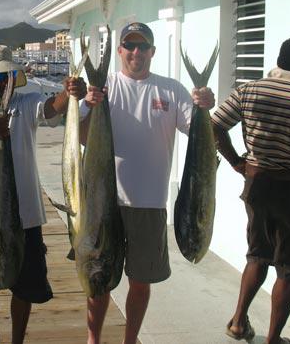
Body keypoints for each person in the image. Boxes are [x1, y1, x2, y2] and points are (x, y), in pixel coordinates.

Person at [82, 22, 215, 344]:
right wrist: (86, 104)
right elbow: (81, 136)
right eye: (130, 45)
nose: (136, 52)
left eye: (143, 46)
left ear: (153, 52)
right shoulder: (104, 88)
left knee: (141, 281)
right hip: (104, 203)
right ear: (120, 51)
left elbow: (194, 131)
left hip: (150, 204)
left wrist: (205, 108)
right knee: (98, 279)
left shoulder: (171, 90)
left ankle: (130, 340)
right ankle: (93, 340)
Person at [0, 44, 86, 344]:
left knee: (25, 289)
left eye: (7, 76)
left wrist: (70, 91)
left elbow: (53, 107)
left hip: (26, 218)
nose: (1, 82)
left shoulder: (26, 104)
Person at [212, 37, 290, 344]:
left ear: (279, 61)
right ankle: (273, 340)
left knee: (257, 255)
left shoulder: (249, 90)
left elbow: (214, 125)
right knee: (289, 269)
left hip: (256, 187)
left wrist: (236, 162)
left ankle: (238, 322)